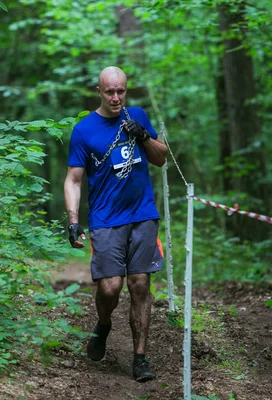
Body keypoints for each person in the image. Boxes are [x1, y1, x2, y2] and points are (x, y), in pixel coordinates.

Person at [63, 66, 168, 382]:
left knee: (140, 284)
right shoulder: (84, 130)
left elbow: (161, 157)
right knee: (110, 288)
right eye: (109, 91)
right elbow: (73, 179)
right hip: (106, 219)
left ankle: (140, 358)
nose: (116, 97)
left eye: (121, 91)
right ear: (98, 91)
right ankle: (104, 324)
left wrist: (144, 136)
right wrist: (72, 221)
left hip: (142, 214)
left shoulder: (137, 115)